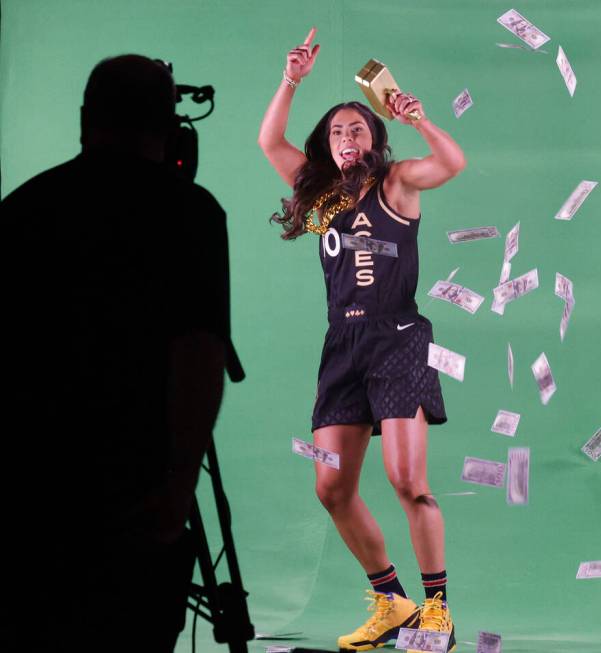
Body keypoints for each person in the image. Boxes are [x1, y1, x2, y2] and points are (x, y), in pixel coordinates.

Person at [2, 54, 232, 652]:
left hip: (31, 503)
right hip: (140, 501)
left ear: (85, 120)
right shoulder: (193, 214)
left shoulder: (21, 210)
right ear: (170, 129)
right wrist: (178, 491)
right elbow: (201, 356)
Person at [258, 27, 466, 653]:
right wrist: (291, 78)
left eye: (358, 129)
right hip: (342, 348)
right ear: (327, 142)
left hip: (399, 337)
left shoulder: (398, 182)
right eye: (338, 131)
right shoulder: (317, 193)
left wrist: (422, 119)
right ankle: (391, 599)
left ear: (376, 137)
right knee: (331, 486)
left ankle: (437, 610)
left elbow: (452, 164)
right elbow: (269, 140)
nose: (348, 138)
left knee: (408, 480)